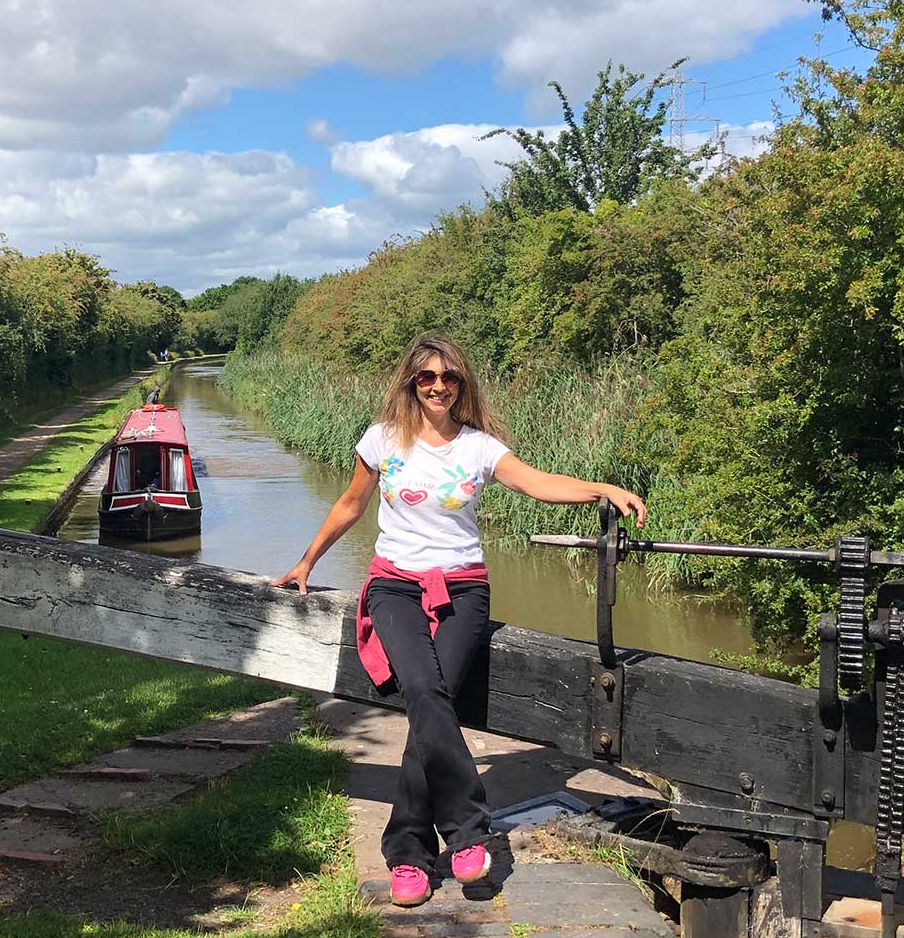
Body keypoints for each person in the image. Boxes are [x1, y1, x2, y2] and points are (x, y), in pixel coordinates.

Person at [272, 334, 645, 907]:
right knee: (423, 689)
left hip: (464, 589)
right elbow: (351, 503)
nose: (438, 385)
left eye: (449, 377)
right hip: (395, 585)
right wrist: (306, 561)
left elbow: (537, 483)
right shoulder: (381, 441)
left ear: (462, 384)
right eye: (426, 376)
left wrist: (602, 488)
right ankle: (470, 835)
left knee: (433, 701)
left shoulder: (478, 448)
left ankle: (407, 852)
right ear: (410, 383)